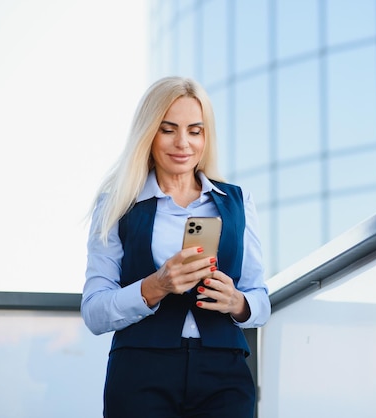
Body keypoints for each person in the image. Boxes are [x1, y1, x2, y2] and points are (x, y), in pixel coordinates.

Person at [81, 76, 271, 418]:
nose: (182, 142)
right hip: (140, 372)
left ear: (205, 136)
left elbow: (260, 298)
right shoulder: (117, 206)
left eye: (195, 131)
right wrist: (156, 286)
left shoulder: (238, 203)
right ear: (148, 134)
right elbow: (94, 312)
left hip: (224, 373)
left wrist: (237, 302)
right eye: (168, 129)